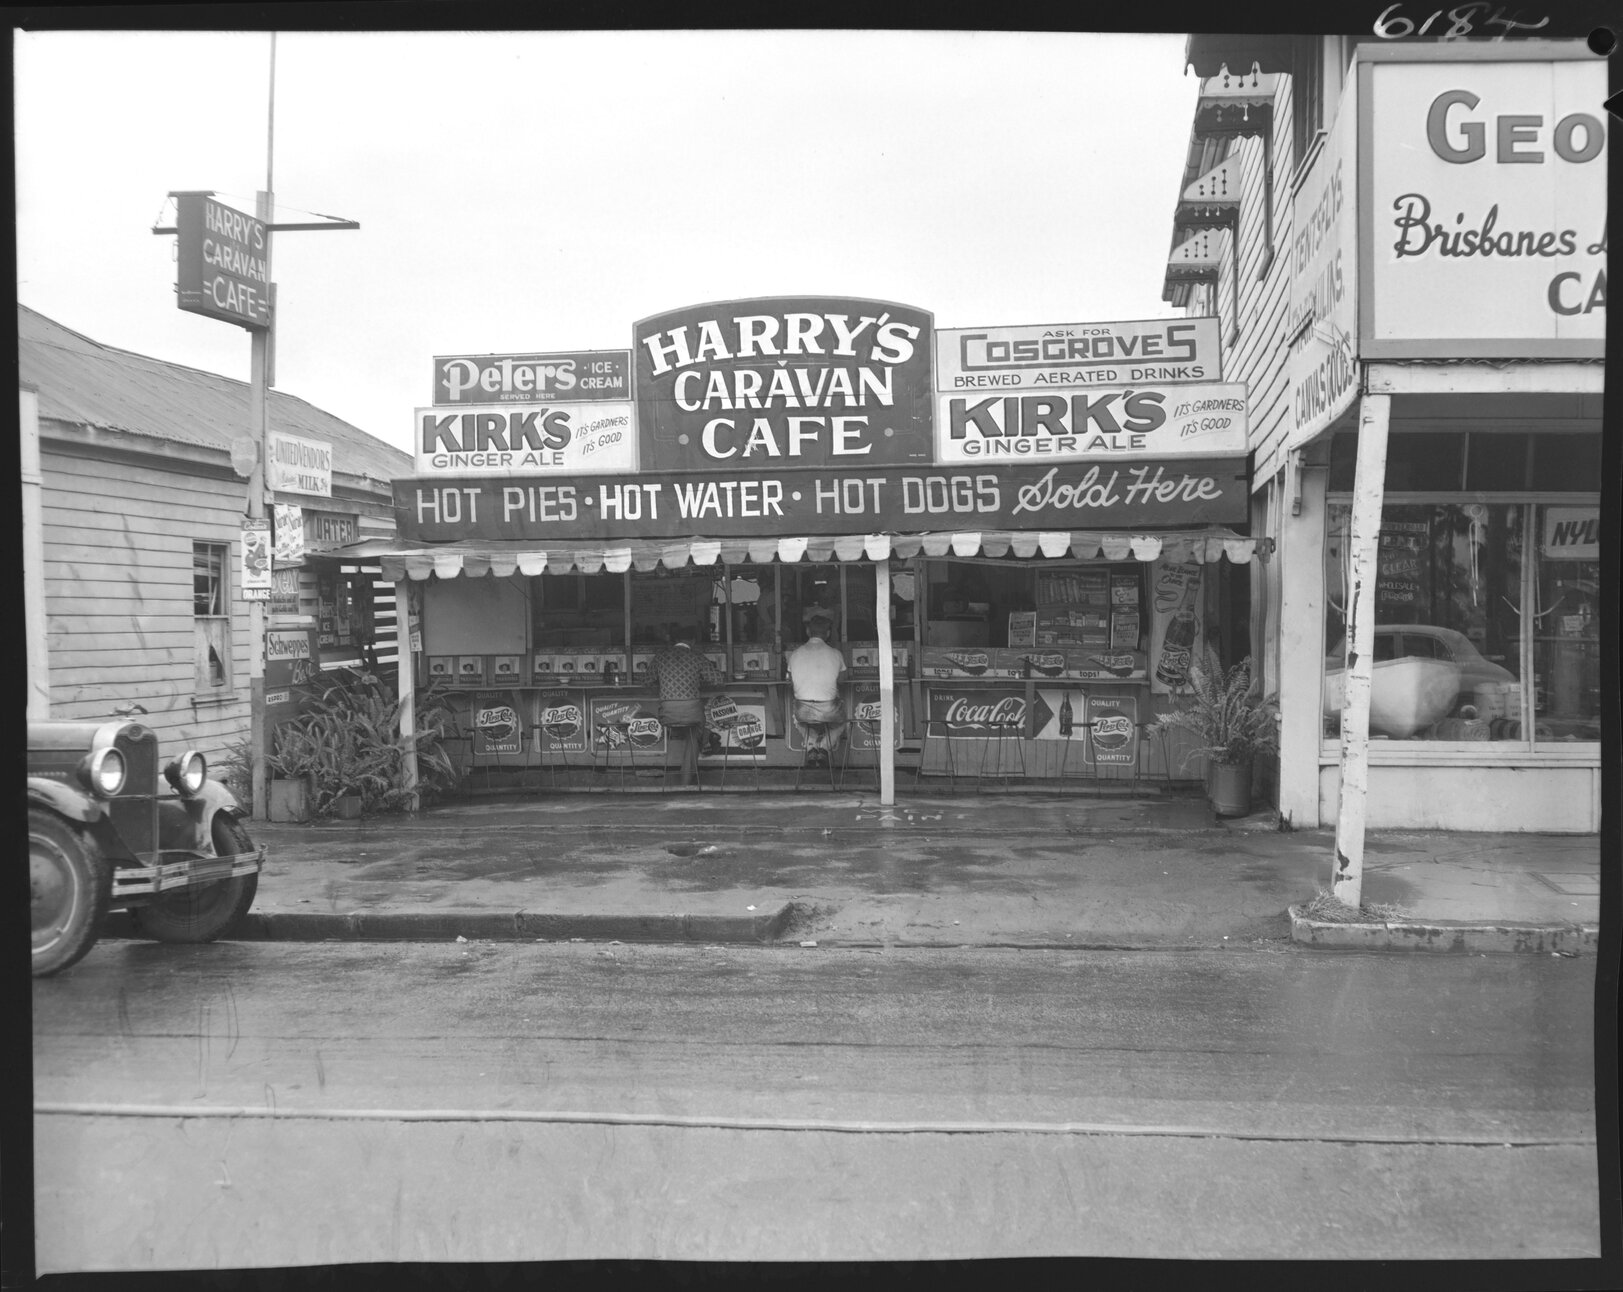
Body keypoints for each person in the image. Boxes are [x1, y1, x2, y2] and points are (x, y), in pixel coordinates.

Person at [650, 625, 724, 787]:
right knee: (696, 734)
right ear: (693, 641)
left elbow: (647, 681)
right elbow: (717, 680)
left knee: (693, 735)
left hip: (667, 713)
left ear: (675, 640)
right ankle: (686, 780)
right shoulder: (696, 656)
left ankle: (706, 737)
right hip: (692, 712)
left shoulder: (661, 656)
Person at [786, 612, 848, 767]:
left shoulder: (795, 654)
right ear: (827, 634)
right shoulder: (836, 654)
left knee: (798, 720)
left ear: (808, 632)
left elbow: (789, 680)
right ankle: (825, 747)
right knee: (842, 722)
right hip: (828, 710)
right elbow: (843, 680)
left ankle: (812, 746)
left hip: (802, 710)